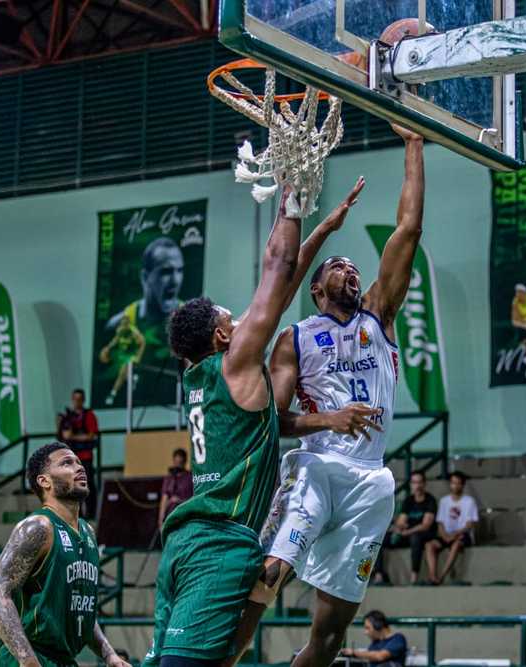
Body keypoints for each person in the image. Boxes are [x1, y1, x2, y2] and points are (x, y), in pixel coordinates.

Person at [143, 179, 364, 667]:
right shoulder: (236, 364)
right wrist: (293, 194)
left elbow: (280, 292)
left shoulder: (201, 371)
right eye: (236, 321)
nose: (250, 320)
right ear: (224, 336)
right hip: (217, 541)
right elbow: (277, 269)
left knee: (213, 658)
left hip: (186, 540)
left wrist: (323, 229)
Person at [238, 123, 425, 667]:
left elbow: (407, 229)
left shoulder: (378, 316)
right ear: (316, 290)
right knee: (268, 579)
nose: (350, 269)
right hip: (316, 467)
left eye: (352, 267)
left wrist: (413, 143)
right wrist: (329, 420)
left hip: (371, 480)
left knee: (331, 635)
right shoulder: (294, 339)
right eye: (336, 267)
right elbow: (270, 422)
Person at [0, 442, 130, 667]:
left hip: (64, 660)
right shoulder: (38, 527)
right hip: (33, 656)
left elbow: (81, 608)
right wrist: (28, 661)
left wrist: (109, 654)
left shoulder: (87, 532)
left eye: (79, 462)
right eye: (67, 463)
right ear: (44, 481)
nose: (79, 467)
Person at [105, 237, 185, 359]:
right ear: (145, 277)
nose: (175, 280)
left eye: (179, 270)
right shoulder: (118, 324)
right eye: (166, 271)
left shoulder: (190, 325)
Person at [373, 470, 437, 585]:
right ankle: (379, 574)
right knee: (379, 539)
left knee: (415, 538)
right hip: (407, 533)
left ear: (424, 483)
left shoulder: (430, 500)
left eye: (419, 482)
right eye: (414, 482)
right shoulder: (409, 500)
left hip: (423, 535)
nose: (417, 485)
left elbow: (425, 525)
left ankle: (414, 577)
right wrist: (399, 527)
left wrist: (407, 530)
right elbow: (401, 522)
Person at [425, 471, 479, 585]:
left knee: (456, 544)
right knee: (429, 545)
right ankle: (432, 576)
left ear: (463, 485)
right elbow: (440, 523)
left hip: (462, 535)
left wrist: (453, 535)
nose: (455, 485)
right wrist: (445, 535)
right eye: (453, 483)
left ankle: (442, 576)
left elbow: (470, 524)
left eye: (458, 483)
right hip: (446, 535)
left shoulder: (469, 501)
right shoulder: (444, 501)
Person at [57, 389, 100, 518]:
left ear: (83, 400)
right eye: (75, 399)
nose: (77, 402)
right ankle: (77, 514)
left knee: (87, 485)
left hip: (85, 457)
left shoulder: (89, 415)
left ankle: (92, 513)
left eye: (79, 399)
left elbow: (91, 435)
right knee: (72, 487)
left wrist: (73, 437)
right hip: (70, 458)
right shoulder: (68, 417)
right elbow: (62, 436)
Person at [99, 314, 146, 406]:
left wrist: (139, 357)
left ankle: (112, 394)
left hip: (132, 355)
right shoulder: (120, 330)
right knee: (123, 374)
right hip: (123, 355)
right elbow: (115, 340)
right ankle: (133, 378)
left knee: (122, 373)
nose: (124, 326)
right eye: (122, 324)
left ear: (128, 324)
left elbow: (143, 343)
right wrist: (107, 348)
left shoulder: (134, 332)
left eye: (125, 324)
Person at [339, 611, 407, 667]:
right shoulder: (374, 644)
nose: (365, 632)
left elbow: (379, 656)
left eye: (368, 628)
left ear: (378, 625)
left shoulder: (398, 639)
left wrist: (354, 652)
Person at [157, 449, 193, 531]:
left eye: (180, 462)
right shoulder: (169, 478)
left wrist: (180, 501)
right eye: (176, 462)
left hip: (185, 516)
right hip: (171, 516)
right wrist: (160, 519)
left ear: (185, 462)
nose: (178, 465)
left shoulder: (190, 477)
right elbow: (164, 498)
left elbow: (194, 498)